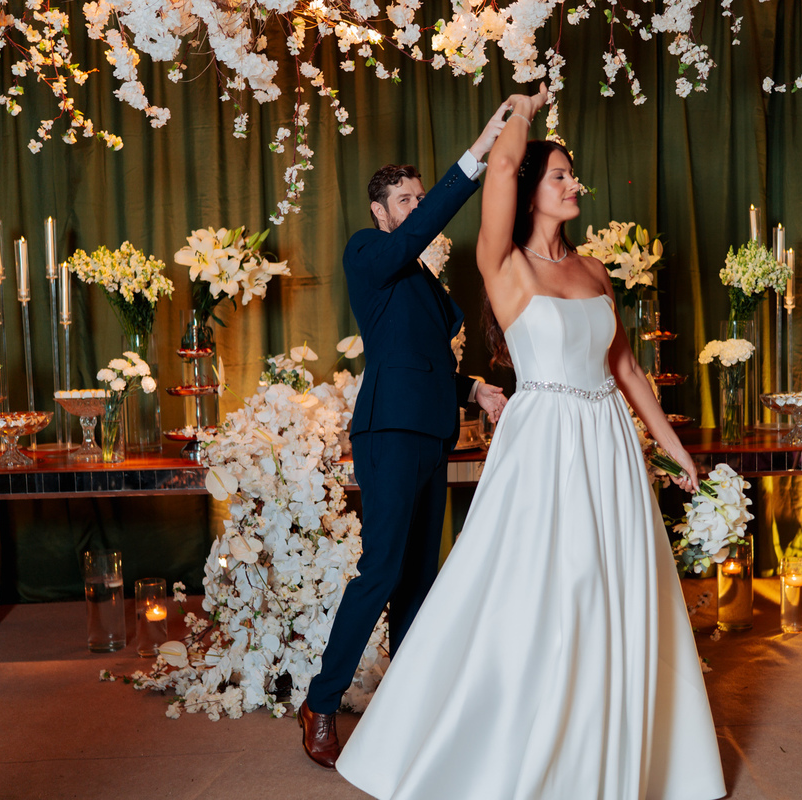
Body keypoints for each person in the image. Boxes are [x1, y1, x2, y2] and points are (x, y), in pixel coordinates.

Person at [335, 84, 726, 799]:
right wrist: (515, 117)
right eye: (560, 175)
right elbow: (487, 192)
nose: (575, 184)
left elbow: (627, 368)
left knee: (614, 588)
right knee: (535, 588)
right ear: (529, 190)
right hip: (539, 443)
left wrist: (673, 446)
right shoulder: (494, 266)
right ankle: (417, 721)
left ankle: (610, 739)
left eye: (574, 175)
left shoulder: (596, 271)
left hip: (608, 441)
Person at [297, 105, 512, 769]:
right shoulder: (369, 254)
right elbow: (416, 236)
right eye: (406, 200)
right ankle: (322, 701)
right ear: (382, 212)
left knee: (420, 577)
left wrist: (472, 388)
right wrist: (476, 154)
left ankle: (410, 708)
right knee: (382, 569)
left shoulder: (423, 284)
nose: (416, 207)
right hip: (387, 432)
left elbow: (426, 363)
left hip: (431, 433)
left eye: (420, 197)